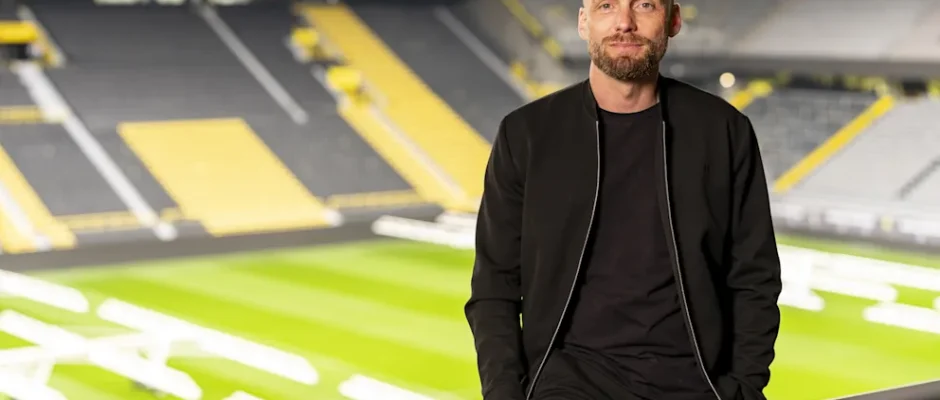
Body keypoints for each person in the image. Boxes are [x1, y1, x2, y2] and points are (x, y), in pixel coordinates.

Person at [464, 0, 782, 399]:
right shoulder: (525, 135)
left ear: (673, 20)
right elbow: (495, 285)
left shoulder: (724, 131)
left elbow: (755, 277)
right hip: (567, 385)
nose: (624, 23)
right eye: (606, 6)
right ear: (584, 22)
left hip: (697, 385)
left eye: (644, 5)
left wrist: (742, 389)